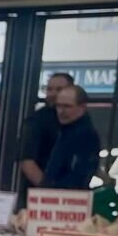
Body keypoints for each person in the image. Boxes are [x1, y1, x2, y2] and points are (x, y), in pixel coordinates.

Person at [18, 69, 75, 207]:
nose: (53, 93)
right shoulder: (36, 121)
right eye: (49, 89)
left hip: (72, 198)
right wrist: (50, 192)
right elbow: (27, 162)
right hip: (39, 201)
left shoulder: (77, 123)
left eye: (59, 89)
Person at [42, 83, 101, 189]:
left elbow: (80, 175)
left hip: (66, 198)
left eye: (67, 106)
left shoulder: (85, 134)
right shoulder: (65, 130)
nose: (61, 111)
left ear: (82, 107)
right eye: (58, 106)